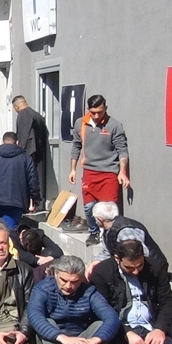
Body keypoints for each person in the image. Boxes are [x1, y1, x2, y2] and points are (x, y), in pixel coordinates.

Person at [91, 240, 172, 344]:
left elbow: (168, 302)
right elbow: (102, 308)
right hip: (120, 327)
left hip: (149, 326)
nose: (135, 271)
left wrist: (160, 329)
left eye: (140, 265)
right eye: (129, 267)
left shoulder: (155, 268)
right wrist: (126, 333)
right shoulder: (102, 272)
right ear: (117, 258)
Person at [27, 255, 120, 344]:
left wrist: (96, 339)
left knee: (100, 326)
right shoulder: (42, 289)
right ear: (55, 273)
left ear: (81, 278)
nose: (69, 286)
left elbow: (111, 317)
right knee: (46, 322)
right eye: (64, 280)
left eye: (75, 282)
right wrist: (62, 338)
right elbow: (34, 315)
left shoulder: (89, 291)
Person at [69, 95, 130, 247]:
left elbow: (122, 150)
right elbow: (76, 146)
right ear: (88, 110)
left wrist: (122, 172)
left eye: (100, 112)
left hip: (109, 172)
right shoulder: (80, 124)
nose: (96, 116)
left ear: (106, 109)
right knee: (89, 207)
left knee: (109, 209)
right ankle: (94, 232)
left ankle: (111, 236)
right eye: (93, 112)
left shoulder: (114, 125)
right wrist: (73, 169)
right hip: (89, 172)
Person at [0, 132, 41, 229]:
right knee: (9, 231)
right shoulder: (25, 157)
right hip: (15, 201)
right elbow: (32, 180)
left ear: (2, 142)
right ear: (17, 142)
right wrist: (35, 199)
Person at [13, 95, 48, 204]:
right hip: (38, 151)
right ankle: (37, 202)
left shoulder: (23, 114)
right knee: (35, 177)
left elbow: (23, 135)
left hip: (28, 152)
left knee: (27, 178)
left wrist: (19, 151)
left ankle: (31, 202)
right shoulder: (36, 115)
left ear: (16, 106)